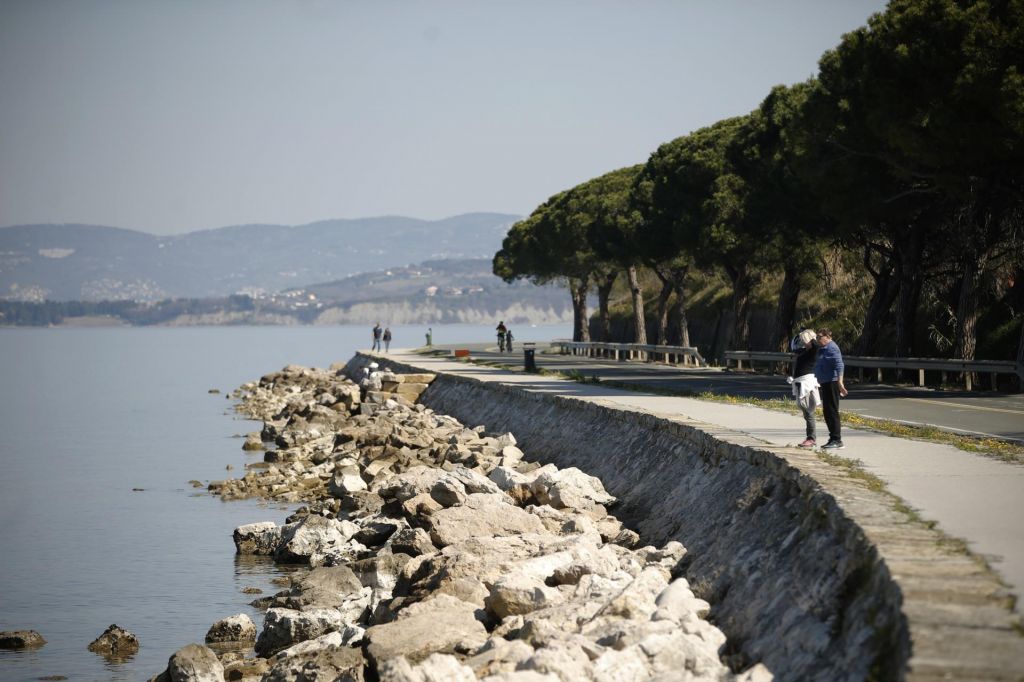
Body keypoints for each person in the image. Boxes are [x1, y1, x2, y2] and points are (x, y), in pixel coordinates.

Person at [814, 327, 848, 449]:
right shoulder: (823, 348)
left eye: (819, 337)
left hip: (832, 382)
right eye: (816, 337)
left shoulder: (832, 347)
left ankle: (837, 440)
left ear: (827, 337)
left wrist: (840, 383)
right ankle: (833, 438)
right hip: (825, 382)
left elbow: (839, 365)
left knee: (832, 411)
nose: (817, 339)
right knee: (827, 411)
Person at [788, 329, 820, 448]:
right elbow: (794, 348)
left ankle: (811, 439)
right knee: (806, 412)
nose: (803, 342)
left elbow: (816, 346)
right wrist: (802, 335)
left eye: (804, 340)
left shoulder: (813, 351)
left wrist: (811, 337)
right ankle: (810, 438)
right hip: (800, 383)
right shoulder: (805, 351)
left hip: (807, 384)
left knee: (809, 411)